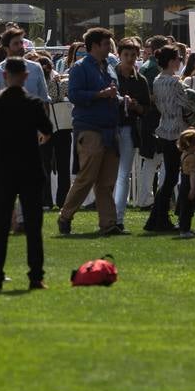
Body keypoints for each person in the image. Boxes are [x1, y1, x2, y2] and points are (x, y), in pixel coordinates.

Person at [0, 57, 53, 291]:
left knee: (0, 226)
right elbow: (47, 129)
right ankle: (35, 277)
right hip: (29, 168)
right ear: (26, 77)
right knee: (33, 226)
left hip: (3, 170)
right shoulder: (33, 104)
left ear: (5, 76)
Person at [57, 28, 123, 236]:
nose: (109, 48)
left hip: (110, 129)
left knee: (106, 181)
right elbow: (74, 95)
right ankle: (65, 216)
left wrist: (122, 100)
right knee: (87, 177)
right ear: (94, 46)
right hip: (90, 128)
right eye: (106, 44)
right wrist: (100, 94)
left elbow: (114, 93)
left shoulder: (109, 68)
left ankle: (109, 223)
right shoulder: (80, 68)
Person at [147, 46, 192, 233]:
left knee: (169, 176)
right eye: (178, 58)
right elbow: (188, 103)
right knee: (172, 177)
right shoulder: (175, 82)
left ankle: (157, 218)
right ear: (172, 61)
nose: (180, 61)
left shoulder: (157, 81)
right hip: (177, 130)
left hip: (164, 128)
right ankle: (160, 217)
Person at [112, 39, 150, 233]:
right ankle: (110, 216)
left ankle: (118, 217)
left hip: (128, 128)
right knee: (109, 174)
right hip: (110, 127)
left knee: (123, 175)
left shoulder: (140, 80)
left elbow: (146, 109)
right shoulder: (111, 75)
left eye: (133, 55)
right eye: (126, 55)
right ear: (119, 55)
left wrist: (136, 106)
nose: (129, 59)